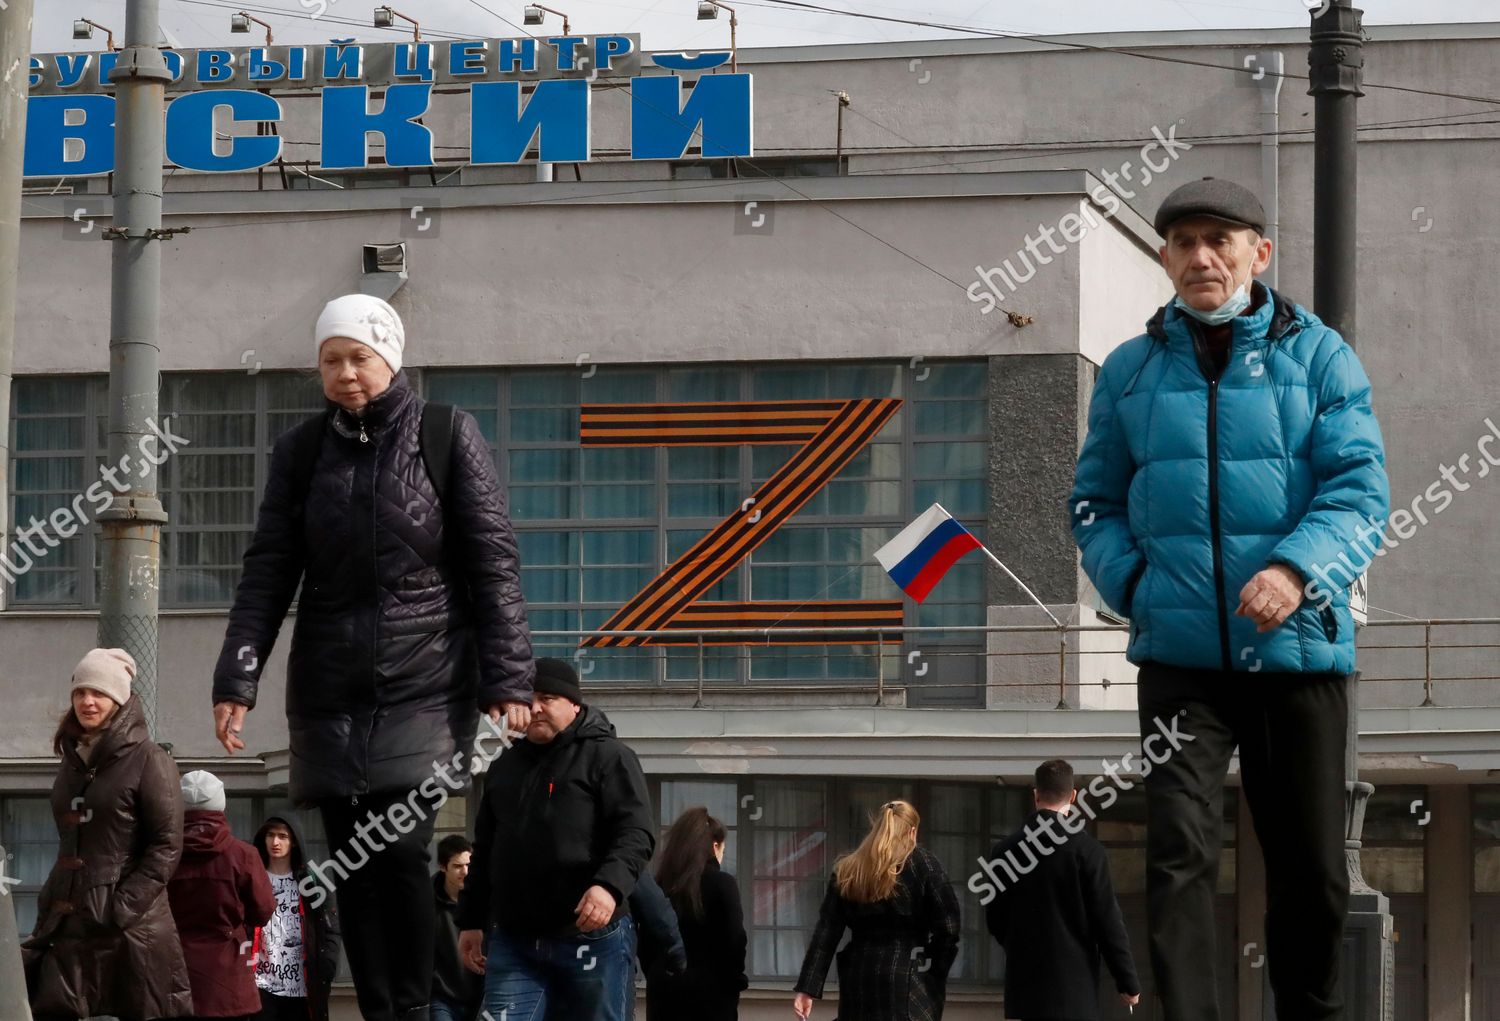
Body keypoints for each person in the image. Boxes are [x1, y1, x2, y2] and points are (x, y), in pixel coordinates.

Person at [1070, 176, 1390, 1021]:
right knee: (1176, 855)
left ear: (1259, 252)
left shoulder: (1320, 356)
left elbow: (1360, 494)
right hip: (1181, 660)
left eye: (1220, 239)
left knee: (1312, 866)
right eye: (1183, 242)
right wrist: (1133, 584)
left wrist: (1294, 571)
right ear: (1166, 256)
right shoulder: (1132, 371)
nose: (1201, 257)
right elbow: (1092, 502)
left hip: (1297, 654)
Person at [211, 294, 536, 1021]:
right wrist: (239, 673)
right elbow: (269, 568)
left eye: (359, 356)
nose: (346, 372)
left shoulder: (447, 434)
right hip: (328, 695)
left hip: (423, 689)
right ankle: (384, 1009)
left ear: (390, 358)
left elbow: (494, 562)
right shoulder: (300, 452)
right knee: (352, 871)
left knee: (396, 855)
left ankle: (413, 1008)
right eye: (331, 360)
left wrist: (509, 677)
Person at [457, 658, 655, 1021]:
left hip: (593, 938)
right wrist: (470, 920)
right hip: (515, 941)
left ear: (574, 704)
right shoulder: (504, 767)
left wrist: (608, 887)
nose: (534, 708)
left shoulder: (610, 758)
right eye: (527, 699)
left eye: (546, 698)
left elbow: (636, 833)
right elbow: (484, 850)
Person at [23, 648, 194, 1021]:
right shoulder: (71, 763)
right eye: (80, 692)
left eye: (98, 692)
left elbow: (166, 846)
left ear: (118, 698)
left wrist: (123, 907)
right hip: (69, 923)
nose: (87, 701)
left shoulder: (151, 759)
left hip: (131, 930)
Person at [983, 760, 1139, 1021]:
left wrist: (1021, 947)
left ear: (1036, 794)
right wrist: (1127, 982)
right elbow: (1108, 921)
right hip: (1074, 991)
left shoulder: (1003, 852)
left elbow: (995, 920)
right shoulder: (1088, 852)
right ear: (1073, 796)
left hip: (1025, 991)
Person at [792, 800, 961, 1021]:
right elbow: (949, 928)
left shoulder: (849, 868)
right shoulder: (924, 864)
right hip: (908, 976)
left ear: (877, 826)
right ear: (912, 831)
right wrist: (932, 969)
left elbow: (826, 933)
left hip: (859, 974)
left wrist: (807, 987)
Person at [168, 770, 277, 1021]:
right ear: (220, 805)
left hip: (174, 971)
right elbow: (262, 911)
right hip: (228, 978)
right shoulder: (243, 855)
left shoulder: (164, 854)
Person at [647, 807, 747, 1021]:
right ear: (714, 846)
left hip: (664, 995)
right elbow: (735, 941)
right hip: (714, 997)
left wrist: (659, 975)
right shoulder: (723, 884)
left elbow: (645, 942)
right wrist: (734, 981)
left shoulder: (660, 885)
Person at [251, 816, 341, 1021]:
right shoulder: (253, 878)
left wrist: (327, 965)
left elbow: (331, 927)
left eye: (283, 836)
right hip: (260, 986)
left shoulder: (313, 882)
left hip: (302, 987)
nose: (275, 842)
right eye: (271, 835)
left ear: (294, 841)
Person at [432, 835, 483, 1021]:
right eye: (457, 866)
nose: (465, 872)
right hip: (443, 998)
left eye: (468, 865)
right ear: (443, 866)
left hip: (481, 996)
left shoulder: (483, 900)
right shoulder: (427, 901)